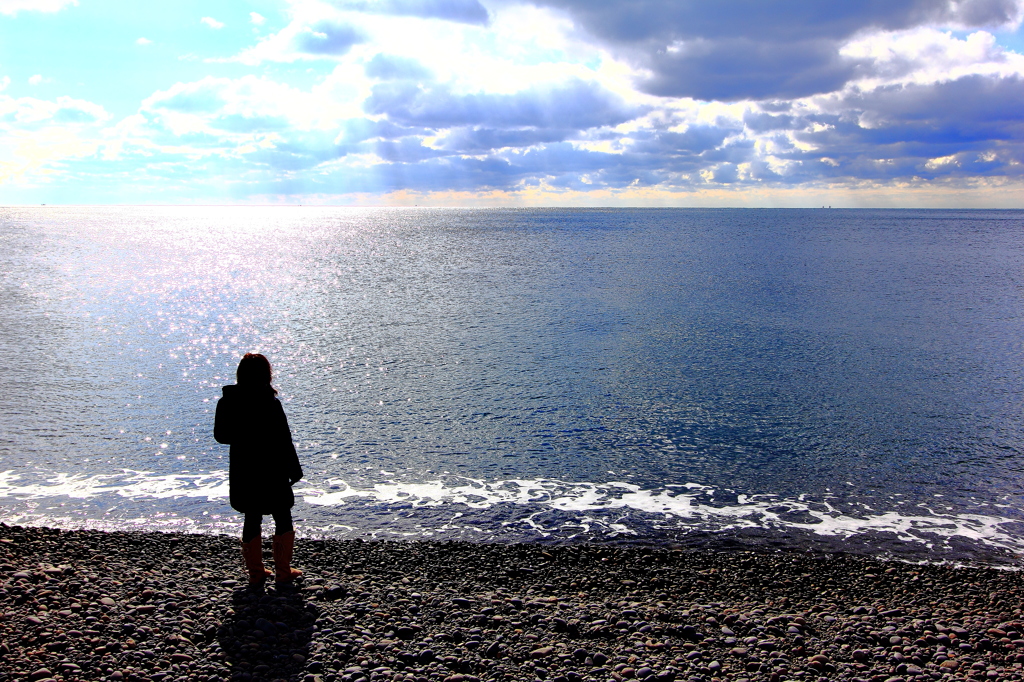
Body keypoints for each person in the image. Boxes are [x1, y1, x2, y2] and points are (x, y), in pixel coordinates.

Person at [214, 353, 304, 585]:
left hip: (244, 468)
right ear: (266, 374)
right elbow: (285, 440)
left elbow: (221, 436)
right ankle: (283, 571)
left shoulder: (228, 401)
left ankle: (256, 572)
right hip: (272, 467)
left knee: (251, 517)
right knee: (282, 515)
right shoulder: (269, 402)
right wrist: (295, 470)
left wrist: (244, 435)